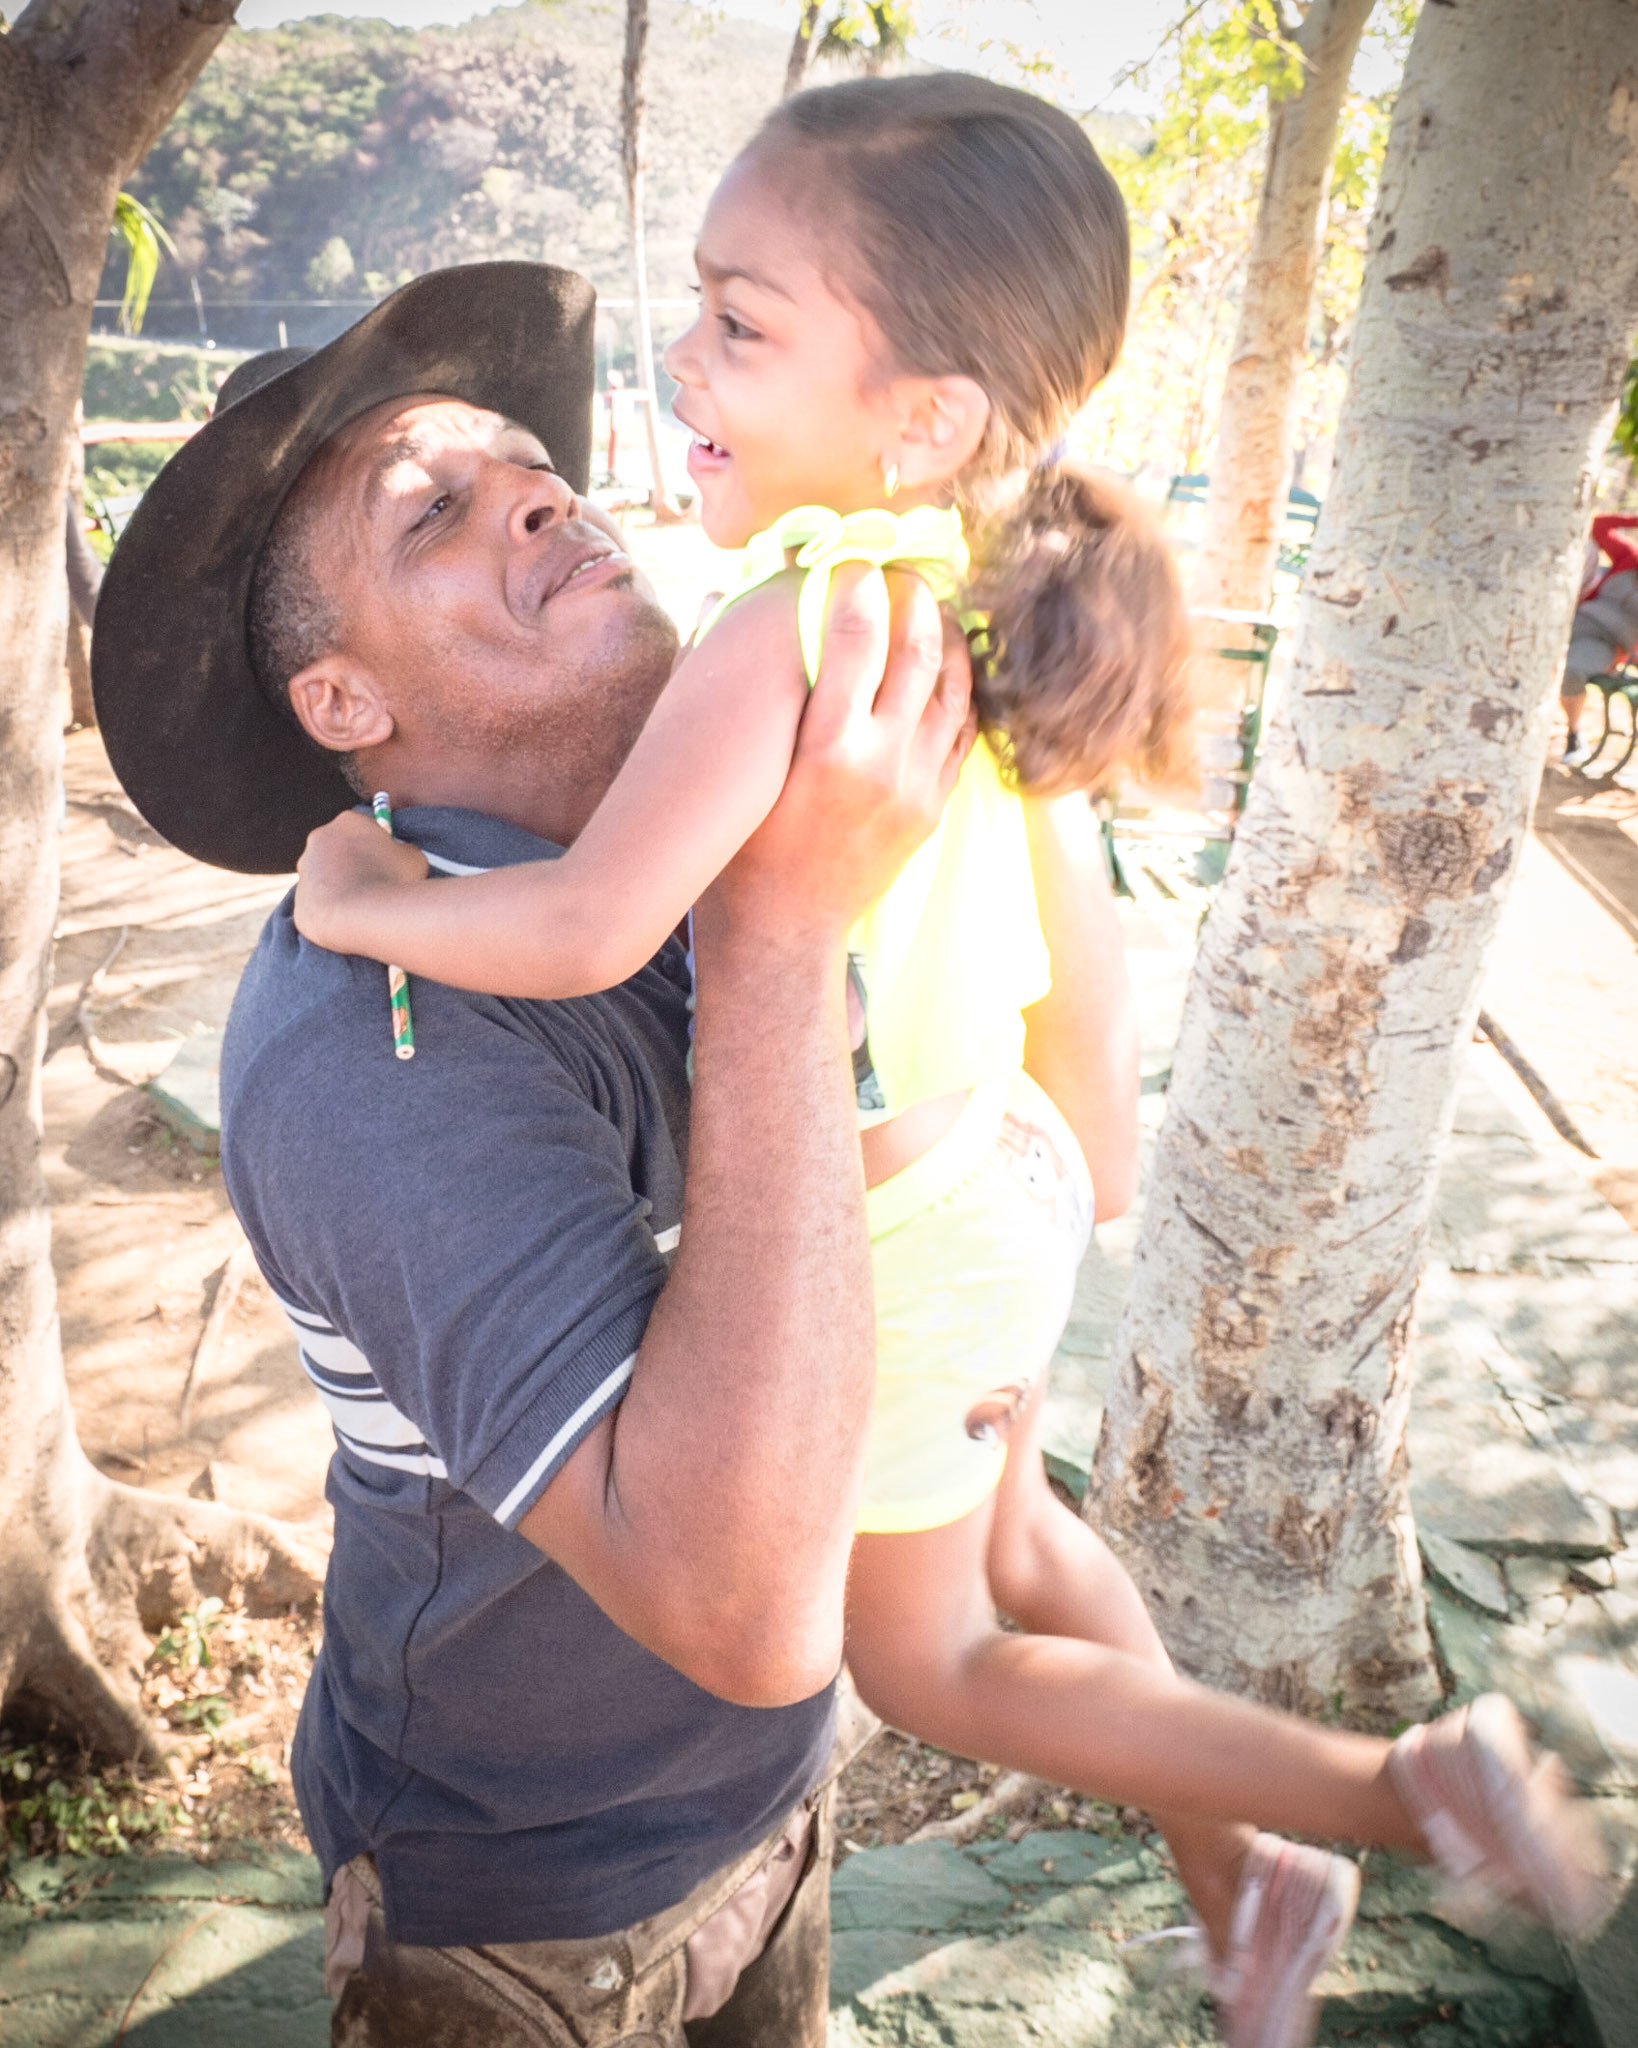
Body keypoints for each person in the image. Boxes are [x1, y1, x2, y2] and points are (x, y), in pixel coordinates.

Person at [289, 79, 1613, 2048]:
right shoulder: (950, 598)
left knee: (932, 1656)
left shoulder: (791, 620)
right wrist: (1092, 1159)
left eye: (744, 321)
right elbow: (1045, 928)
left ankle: (1387, 1789)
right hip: (996, 1168)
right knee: (1028, 1542)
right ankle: (1248, 1882)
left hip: (898, 1231)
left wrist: (362, 898)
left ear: (917, 414)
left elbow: (590, 929)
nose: (684, 360)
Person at [88, 260, 975, 2048]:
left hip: (773, 1803)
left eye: (527, 470)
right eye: (439, 512)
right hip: (522, 1909)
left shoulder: (673, 857)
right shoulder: (382, 1042)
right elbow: (743, 1608)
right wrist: (788, 935)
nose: (541, 495)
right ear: (342, 702)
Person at [1561, 512, 1638, 766]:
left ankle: (1573, 735)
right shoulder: (1629, 558)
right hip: (1570, 624)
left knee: (1571, 671)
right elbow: (1599, 526)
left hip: (1603, 644)